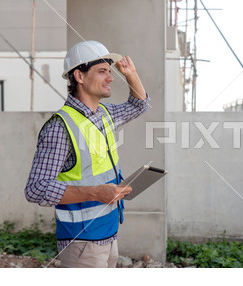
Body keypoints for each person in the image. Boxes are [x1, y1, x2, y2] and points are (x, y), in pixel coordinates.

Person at [24, 40, 149, 268]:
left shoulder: (104, 114)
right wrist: (96, 192)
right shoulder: (59, 127)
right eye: (102, 71)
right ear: (79, 77)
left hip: (109, 233)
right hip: (81, 241)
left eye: (109, 72)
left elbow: (139, 105)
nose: (110, 78)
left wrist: (131, 74)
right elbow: (36, 189)